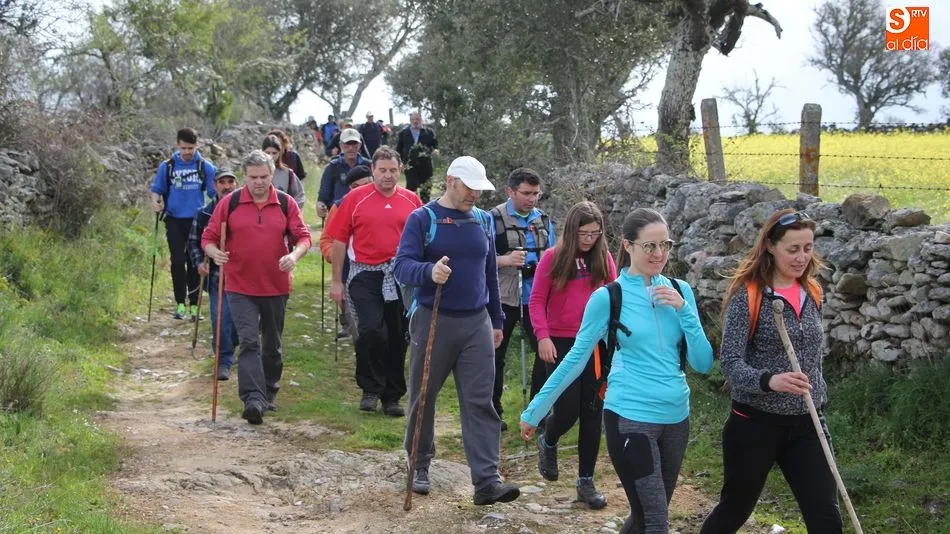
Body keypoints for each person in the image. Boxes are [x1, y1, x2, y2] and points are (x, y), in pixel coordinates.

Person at [520, 207, 713, 533]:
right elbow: (575, 359)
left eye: (664, 245)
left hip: (676, 417)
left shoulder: (681, 291)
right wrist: (535, 411)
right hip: (630, 416)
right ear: (627, 246)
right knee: (656, 521)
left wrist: (685, 312)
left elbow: (703, 363)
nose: (658, 254)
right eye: (649, 246)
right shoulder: (608, 298)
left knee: (645, 516)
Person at [699, 210, 842, 534]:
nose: (802, 257)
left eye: (808, 248)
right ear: (771, 246)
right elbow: (730, 363)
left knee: (826, 518)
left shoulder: (812, 291)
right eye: (793, 249)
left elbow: (813, 357)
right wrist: (769, 381)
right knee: (734, 511)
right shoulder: (748, 295)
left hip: (807, 423)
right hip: (755, 424)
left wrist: (818, 398)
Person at [393, 155, 520, 506]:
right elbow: (401, 265)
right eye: (469, 187)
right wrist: (429, 272)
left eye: (479, 189)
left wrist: (496, 320)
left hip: (477, 321)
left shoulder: (482, 219)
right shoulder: (423, 219)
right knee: (424, 395)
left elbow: (489, 273)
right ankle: (419, 463)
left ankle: (487, 480)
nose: (475, 195)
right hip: (434, 317)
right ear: (451, 181)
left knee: (480, 399)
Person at [202, 150, 311, 425]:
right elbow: (209, 237)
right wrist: (214, 253)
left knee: (271, 345)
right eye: (253, 177)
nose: (259, 182)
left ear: (272, 175)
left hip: (276, 285)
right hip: (239, 285)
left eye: (264, 176)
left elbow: (303, 237)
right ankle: (253, 399)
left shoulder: (285, 203)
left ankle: (269, 389)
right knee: (249, 341)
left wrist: (293, 255)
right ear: (244, 177)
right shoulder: (230, 203)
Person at [527, 200, 616, 509]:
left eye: (594, 233)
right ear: (571, 230)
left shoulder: (603, 258)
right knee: (566, 410)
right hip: (561, 343)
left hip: (595, 345)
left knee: (593, 413)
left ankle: (586, 482)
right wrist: (543, 336)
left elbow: (615, 296)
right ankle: (548, 440)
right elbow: (536, 300)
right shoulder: (552, 258)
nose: (589, 239)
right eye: (583, 233)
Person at [325, 147, 422, 416]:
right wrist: (336, 282)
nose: (387, 175)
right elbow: (339, 240)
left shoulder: (412, 200)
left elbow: (424, 238)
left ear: (400, 171)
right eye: (382, 170)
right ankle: (370, 388)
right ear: (373, 170)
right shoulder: (355, 198)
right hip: (364, 274)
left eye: (393, 170)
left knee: (397, 335)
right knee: (371, 331)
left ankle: (392, 396)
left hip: (400, 275)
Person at [489, 168, 556, 430]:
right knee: (495, 355)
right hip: (503, 297)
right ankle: (492, 411)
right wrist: (505, 260)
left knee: (546, 353)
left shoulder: (544, 220)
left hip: (536, 299)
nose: (532, 199)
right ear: (510, 191)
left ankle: (538, 410)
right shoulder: (493, 218)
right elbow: (480, 259)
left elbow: (553, 257)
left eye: (535, 194)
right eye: (526, 193)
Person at [150, 127, 217, 320]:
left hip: (197, 221)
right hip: (173, 220)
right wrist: (155, 201)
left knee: (194, 262)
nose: (187, 152)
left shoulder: (205, 166)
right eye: (184, 148)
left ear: (197, 145)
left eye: (191, 148)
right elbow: (157, 189)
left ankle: (194, 306)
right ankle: (180, 304)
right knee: (178, 261)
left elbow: (215, 192)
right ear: (177, 145)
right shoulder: (168, 166)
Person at [188, 168, 240, 380]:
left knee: (239, 320)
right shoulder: (204, 214)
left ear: (236, 184)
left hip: (244, 275)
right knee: (220, 319)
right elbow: (193, 242)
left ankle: (233, 345)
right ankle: (223, 361)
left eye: (230, 182)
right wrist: (199, 262)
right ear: (214, 185)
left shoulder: (245, 210)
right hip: (218, 277)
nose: (227, 186)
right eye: (222, 182)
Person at [319, 165, 373, 339]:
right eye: (359, 186)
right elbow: (326, 240)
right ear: (351, 187)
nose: (366, 189)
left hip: (380, 275)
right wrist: (336, 257)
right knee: (360, 330)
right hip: (348, 275)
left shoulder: (384, 203)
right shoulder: (340, 206)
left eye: (369, 184)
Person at [317, 128, 370, 218]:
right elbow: (323, 195)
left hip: (365, 214)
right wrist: (320, 205)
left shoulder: (369, 165)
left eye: (354, 144)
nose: (351, 148)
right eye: (347, 144)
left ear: (360, 145)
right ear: (340, 145)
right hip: (339, 214)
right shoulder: (332, 167)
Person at [396, 111, 439, 202]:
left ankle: (425, 207)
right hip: (410, 165)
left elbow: (435, 144)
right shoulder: (404, 133)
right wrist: (400, 163)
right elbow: (399, 149)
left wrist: (436, 150)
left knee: (426, 189)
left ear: (421, 119)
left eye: (417, 119)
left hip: (426, 165)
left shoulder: (429, 132)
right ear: (410, 120)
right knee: (411, 188)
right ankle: (410, 206)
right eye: (413, 119)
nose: (415, 121)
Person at [262, 134, 306, 208]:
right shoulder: (253, 173)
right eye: (267, 153)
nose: (271, 156)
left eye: (274, 153)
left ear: (279, 153)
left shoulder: (288, 174)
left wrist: (292, 210)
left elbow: (300, 195)